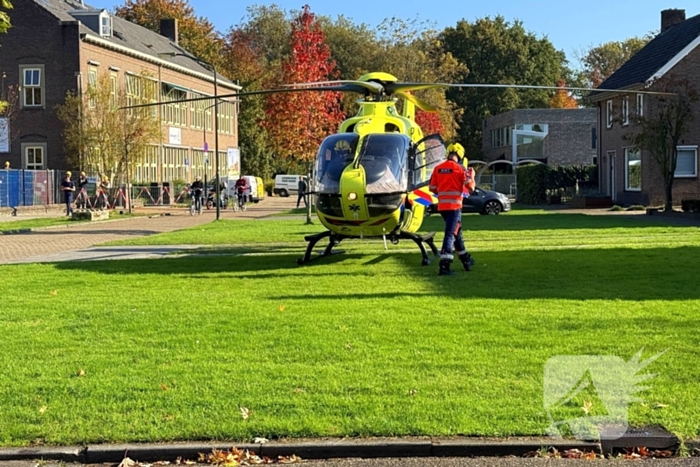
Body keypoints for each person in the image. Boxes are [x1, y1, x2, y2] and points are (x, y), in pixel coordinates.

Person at [428, 142, 476, 276]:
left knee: (456, 232)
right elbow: (471, 188)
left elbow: (431, 188)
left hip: (442, 207)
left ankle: (466, 259)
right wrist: (472, 175)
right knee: (450, 234)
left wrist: (444, 189)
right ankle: (445, 265)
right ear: (460, 156)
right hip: (455, 207)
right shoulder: (460, 169)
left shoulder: (438, 168)